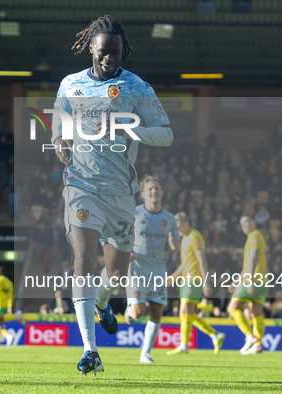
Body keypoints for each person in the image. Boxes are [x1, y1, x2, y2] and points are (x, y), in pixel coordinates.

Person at [51, 15, 173, 375]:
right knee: (83, 259)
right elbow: (59, 118)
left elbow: (166, 134)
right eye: (104, 51)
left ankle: (104, 303)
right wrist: (59, 138)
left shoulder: (137, 87)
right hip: (81, 186)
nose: (110, 58)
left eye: (116, 53)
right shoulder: (71, 84)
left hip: (121, 192)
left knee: (116, 274)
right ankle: (91, 350)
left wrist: (130, 129)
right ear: (91, 47)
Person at [122, 176, 180, 363]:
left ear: (162, 192)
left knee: (156, 311)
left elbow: (176, 246)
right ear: (143, 194)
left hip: (158, 270)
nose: (154, 191)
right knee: (139, 312)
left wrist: (173, 245)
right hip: (137, 268)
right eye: (150, 189)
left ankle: (145, 353)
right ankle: (129, 313)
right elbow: (120, 235)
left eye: (156, 188)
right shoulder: (134, 213)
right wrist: (126, 251)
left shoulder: (169, 218)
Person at [167, 212, 225, 355]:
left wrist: (206, 282)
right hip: (186, 280)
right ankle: (214, 334)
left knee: (185, 309)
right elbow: (186, 263)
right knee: (187, 313)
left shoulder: (195, 236)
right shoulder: (186, 238)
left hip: (194, 279)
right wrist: (173, 277)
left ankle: (184, 345)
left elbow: (202, 260)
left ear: (186, 223)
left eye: (179, 227)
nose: (178, 230)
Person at [227, 215, 268, 355]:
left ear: (253, 222)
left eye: (246, 222)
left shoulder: (254, 236)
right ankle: (258, 345)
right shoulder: (254, 237)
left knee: (232, 308)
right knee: (257, 312)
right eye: (241, 223)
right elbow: (249, 264)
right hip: (262, 280)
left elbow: (254, 258)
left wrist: (248, 281)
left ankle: (249, 336)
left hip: (254, 279)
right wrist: (237, 280)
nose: (244, 225)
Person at [0, 267, 20, 346]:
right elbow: (10, 296)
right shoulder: (9, 283)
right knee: (0, 324)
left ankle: (8, 336)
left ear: (0, 273)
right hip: (5, 305)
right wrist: (10, 307)